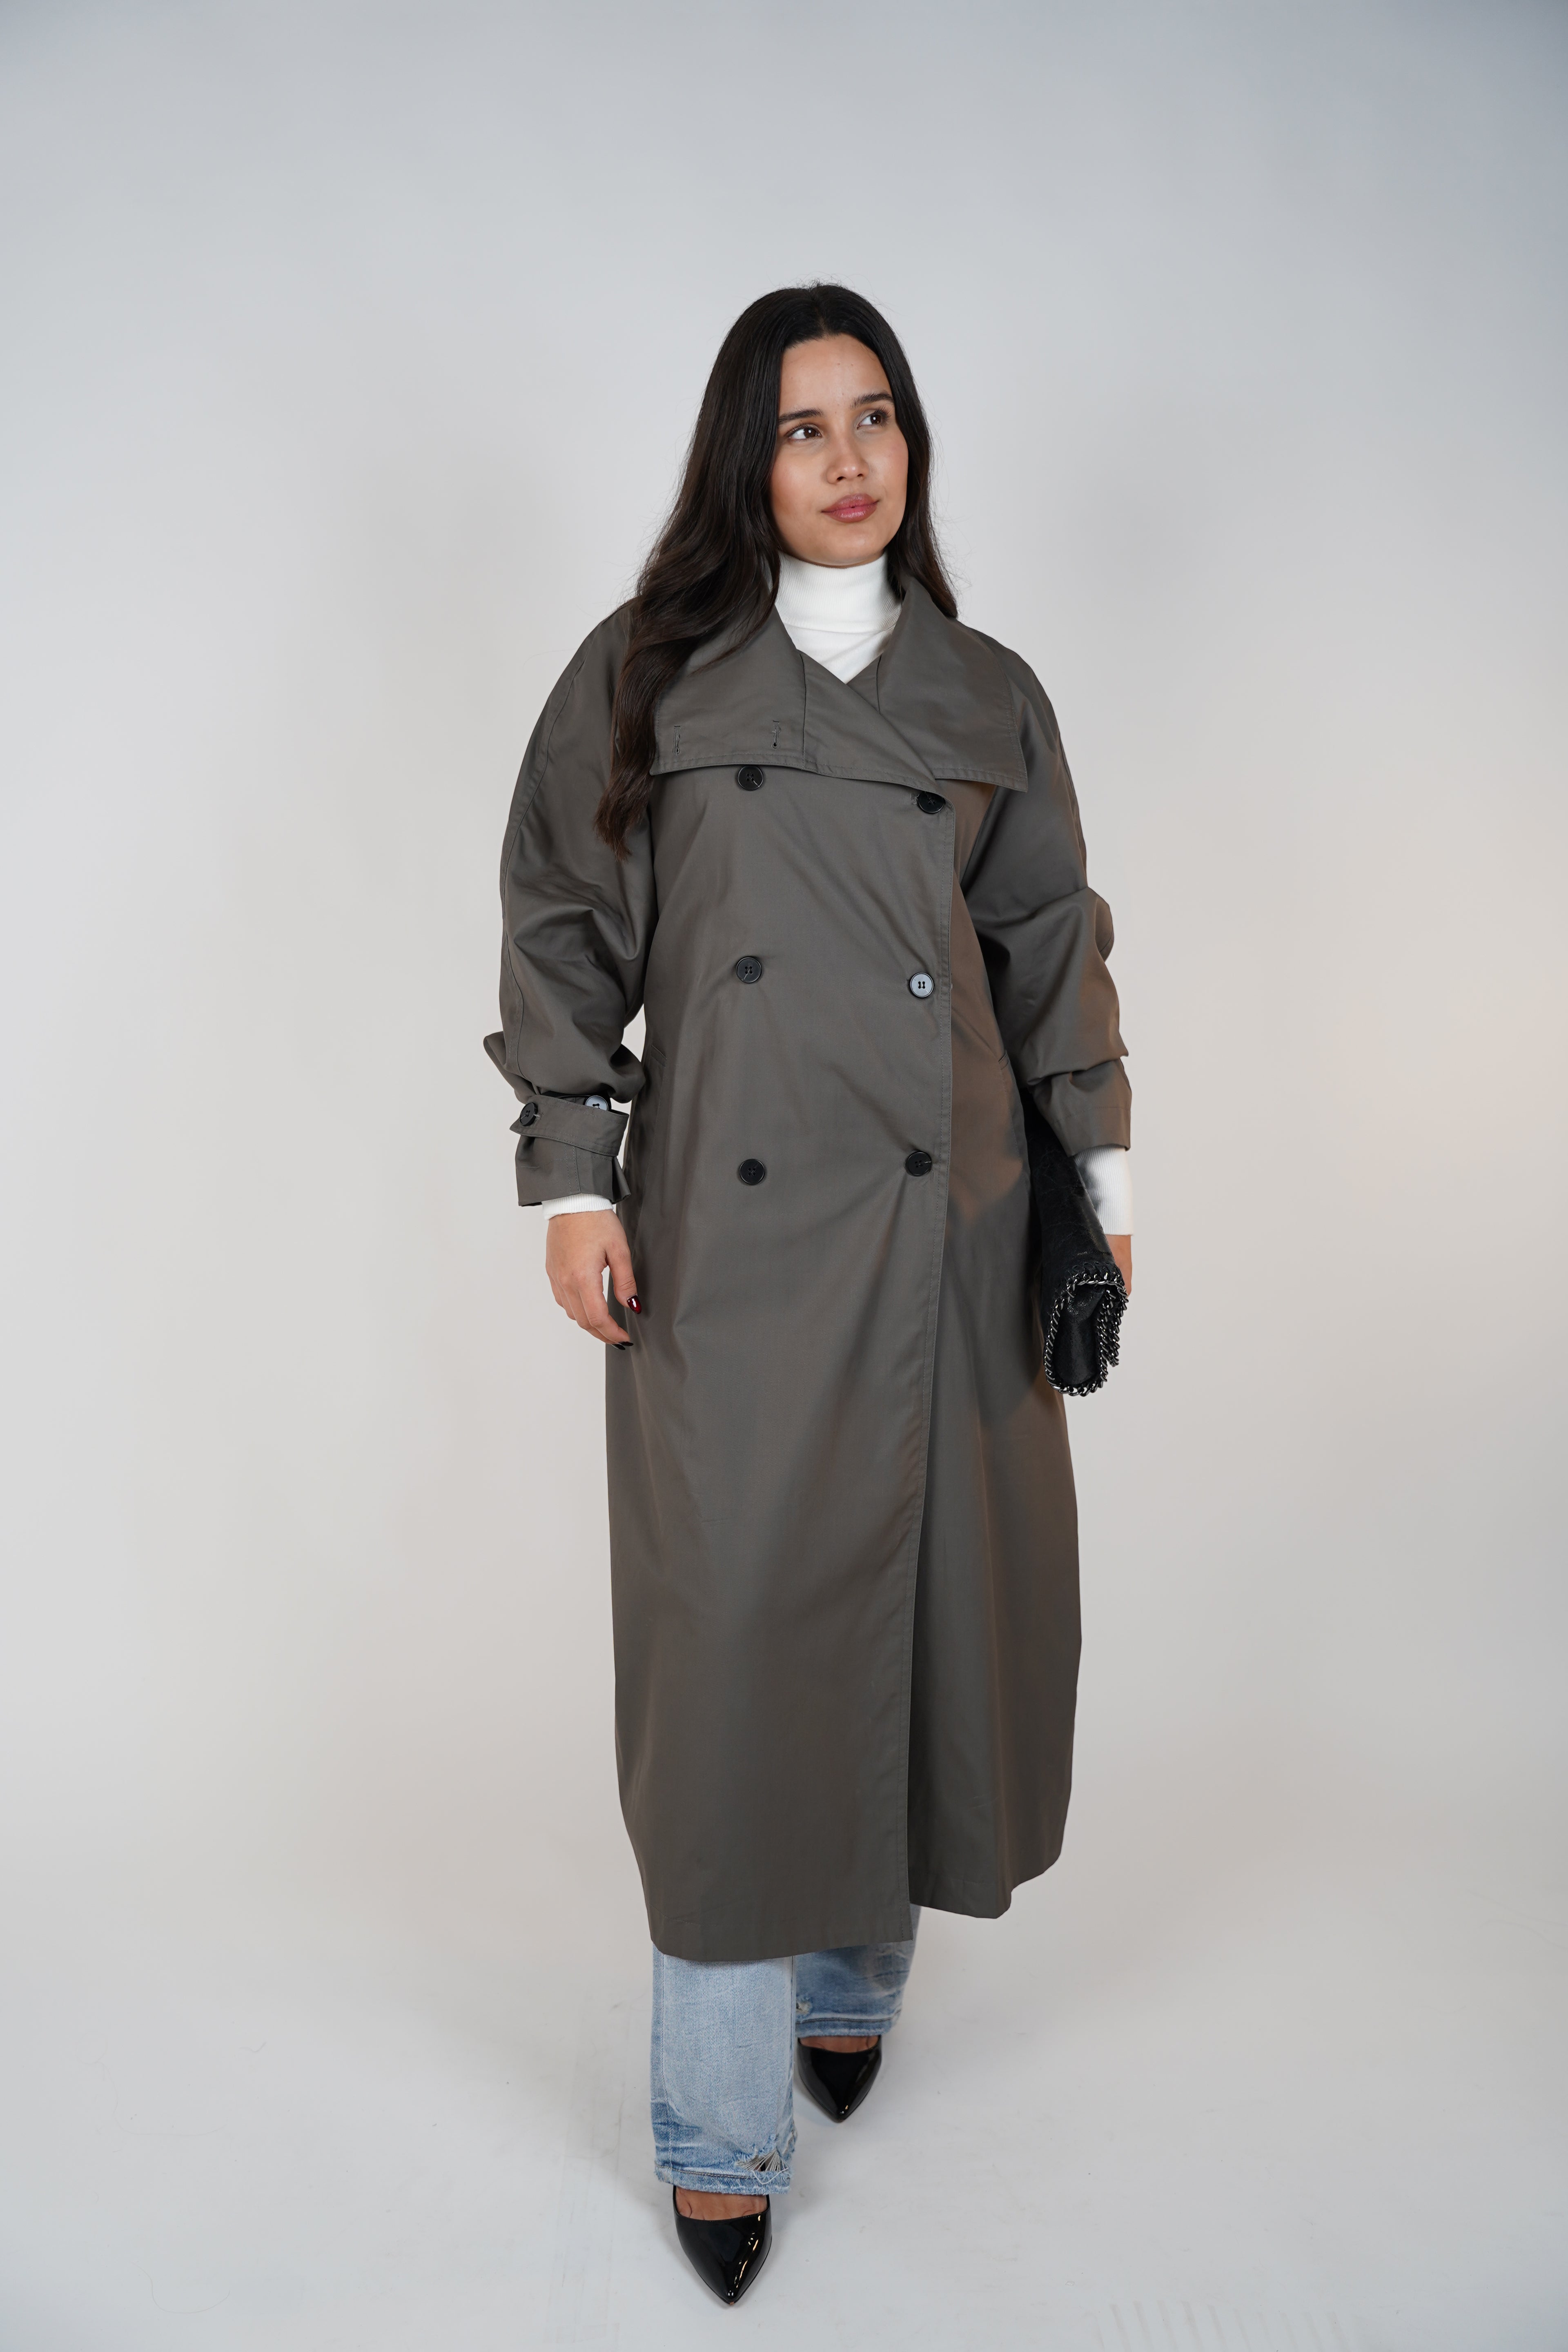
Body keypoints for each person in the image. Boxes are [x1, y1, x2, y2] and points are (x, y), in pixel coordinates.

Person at [486, 284, 1132, 2306]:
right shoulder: (647, 672)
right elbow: (562, 930)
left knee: (928, 1612)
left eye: (877, 419)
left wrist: (1101, 1188)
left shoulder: (986, 692)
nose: (849, 462)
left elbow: (1051, 951)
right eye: (801, 427)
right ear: (740, 461)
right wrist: (569, 1180)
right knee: (734, 1663)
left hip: (953, 1233)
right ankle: (715, 2131)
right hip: (730, 1244)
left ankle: (852, 1992)